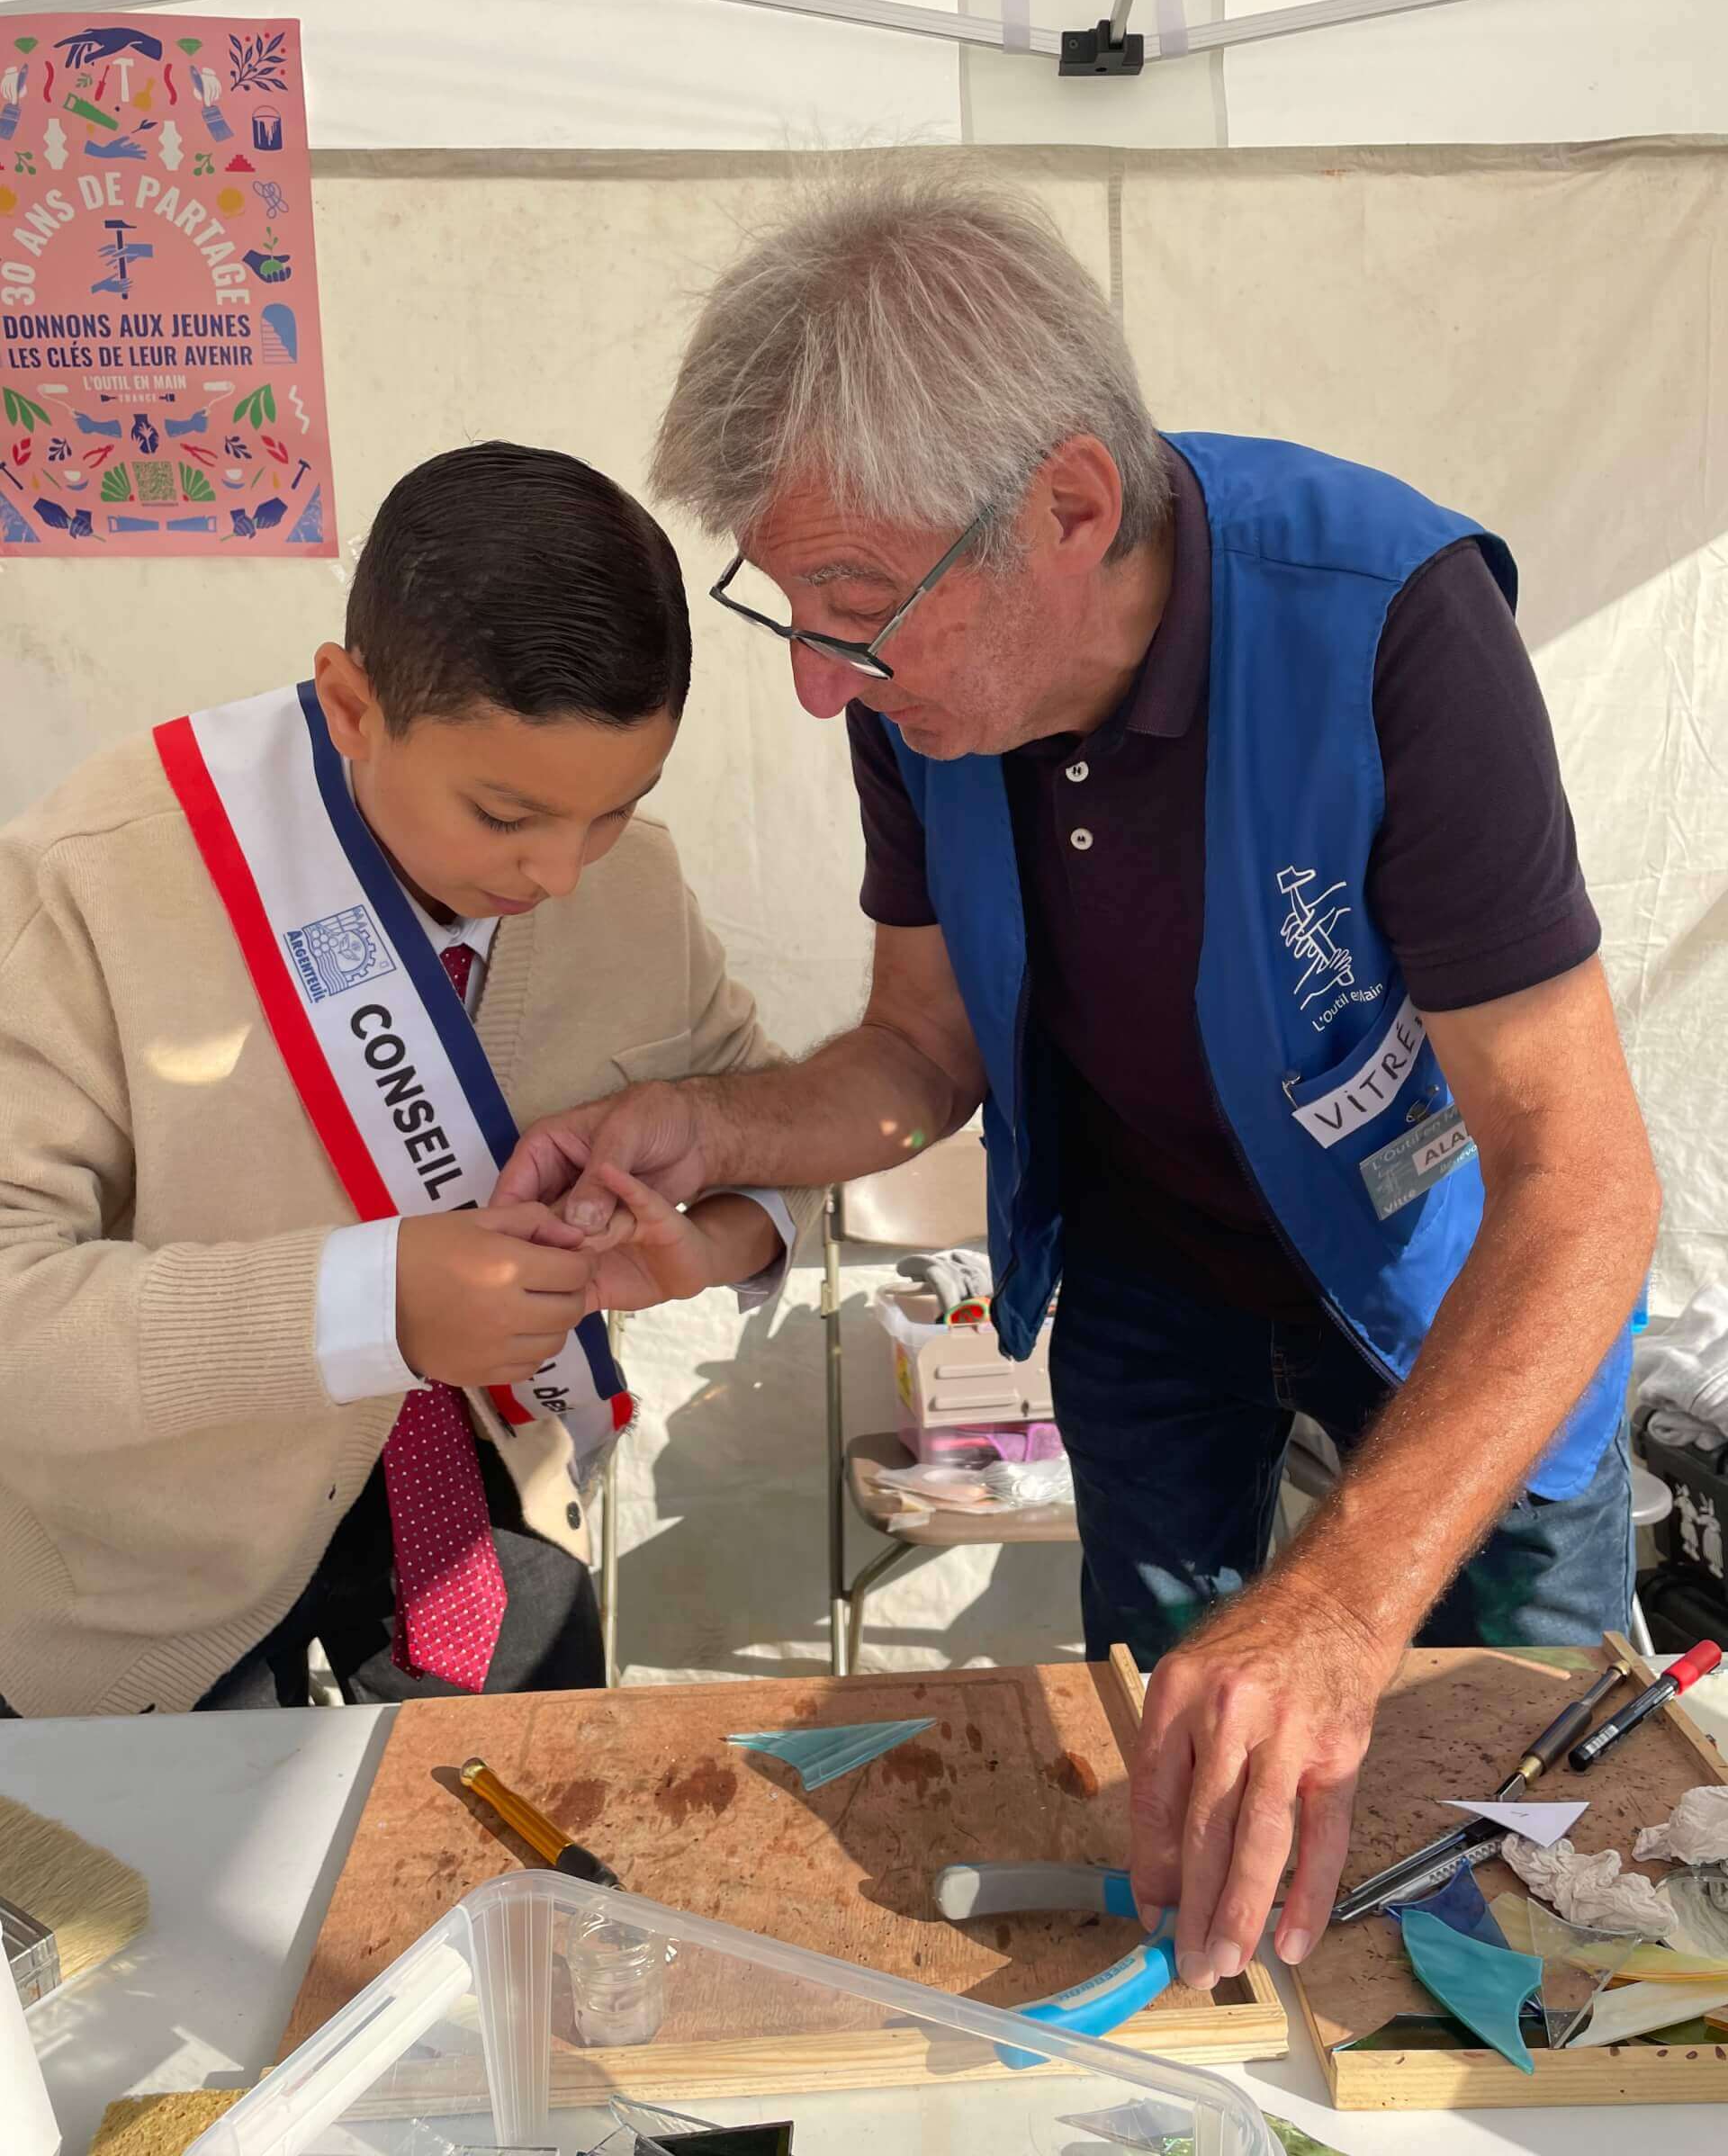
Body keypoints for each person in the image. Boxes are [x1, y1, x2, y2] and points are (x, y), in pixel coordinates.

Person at [498, 176, 1660, 1980]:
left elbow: (1583, 1187)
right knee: (1186, 1786)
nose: (816, 684)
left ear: (1071, 507)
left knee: (1540, 1832)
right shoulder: (920, 693)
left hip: (1452, 1298)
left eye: (853, 606)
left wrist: (1344, 1606)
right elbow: (920, 1048)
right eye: (790, 607)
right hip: (1149, 1285)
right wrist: (712, 1129)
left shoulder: (1388, 629)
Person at [0, 441, 814, 1720]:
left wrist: (716, 1237)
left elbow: (772, 1127)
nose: (563, 874)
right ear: (350, 706)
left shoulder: (630, 882)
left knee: (529, 1829)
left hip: (489, 1514)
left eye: (616, 807)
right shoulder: (96, 876)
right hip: (151, 1564)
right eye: (506, 817)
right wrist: (366, 1302)